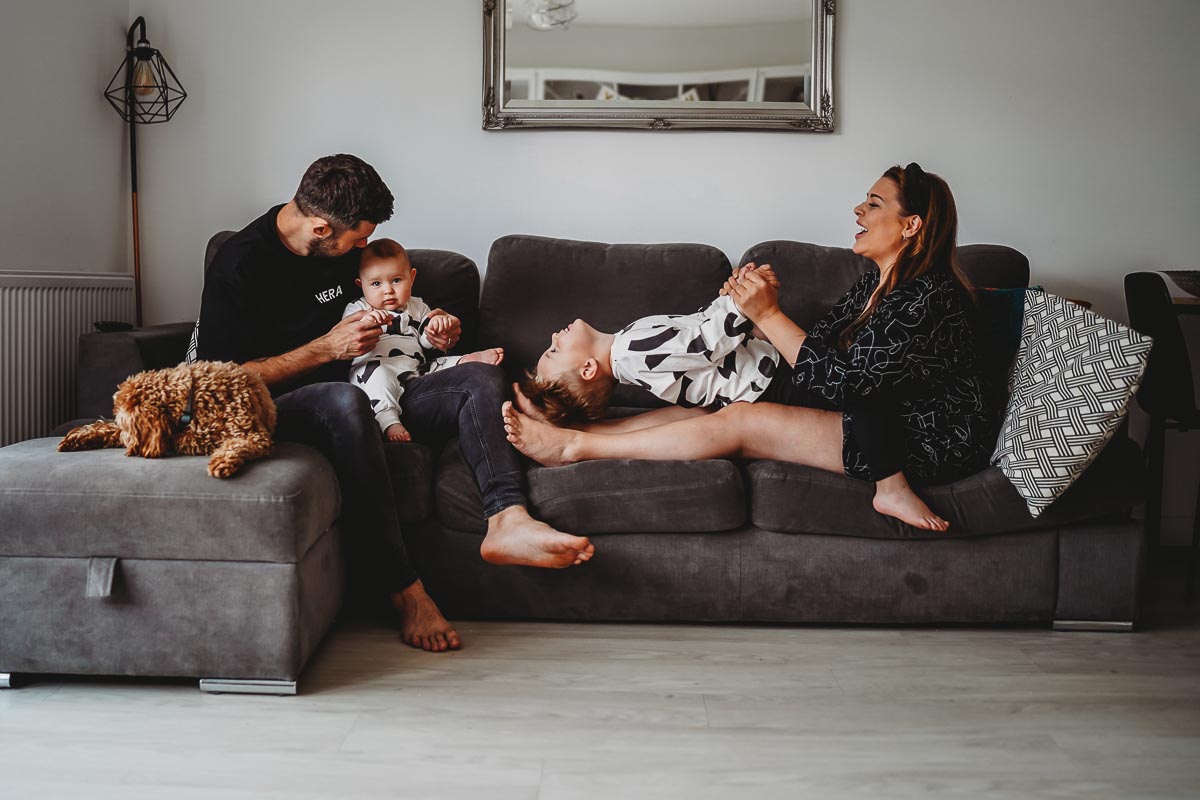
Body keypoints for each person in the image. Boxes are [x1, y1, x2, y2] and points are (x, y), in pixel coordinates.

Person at [195, 154, 593, 653]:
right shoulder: (240, 265)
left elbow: (402, 307)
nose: (361, 249)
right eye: (355, 239)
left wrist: (437, 328)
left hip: (387, 384)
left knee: (478, 374)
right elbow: (217, 380)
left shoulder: (343, 254)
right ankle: (407, 593)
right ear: (320, 228)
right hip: (292, 402)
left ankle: (507, 520)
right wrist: (325, 349)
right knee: (345, 402)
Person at [503, 163, 994, 531]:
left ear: (911, 226)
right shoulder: (873, 286)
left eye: (874, 204)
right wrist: (757, 319)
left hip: (920, 438)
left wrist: (765, 314)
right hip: (867, 411)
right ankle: (587, 430)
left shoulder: (929, 296)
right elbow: (820, 348)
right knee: (708, 415)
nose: (858, 211)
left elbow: (846, 384)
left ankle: (576, 445)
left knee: (740, 420)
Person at [517, 264, 948, 530]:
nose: (554, 336)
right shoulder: (632, 351)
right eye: (555, 349)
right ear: (588, 369)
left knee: (856, 381)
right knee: (859, 388)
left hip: (759, 373)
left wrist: (733, 297)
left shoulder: (630, 346)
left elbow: (695, 333)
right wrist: (745, 303)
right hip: (770, 380)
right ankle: (889, 482)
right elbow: (705, 340)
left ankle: (579, 436)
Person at [345, 238, 503, 443]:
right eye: (376, 283)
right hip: (375, 366)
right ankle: (389, 420)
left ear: (411, 278)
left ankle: (466, 361)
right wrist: (367, 322)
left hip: (416, 369)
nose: (388, 290)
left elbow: (428, 344)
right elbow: (350, 337)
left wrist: (435, 329)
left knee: (440, 364)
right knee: (378, 380)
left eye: (396, 280)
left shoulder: (418, 307)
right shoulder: (358, 309)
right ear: (361, 285)